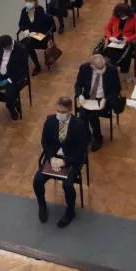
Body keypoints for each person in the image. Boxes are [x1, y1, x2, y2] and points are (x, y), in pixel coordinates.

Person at [33, 97, 87, 228]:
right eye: (58, 111)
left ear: (70, 110)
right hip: (54, 157)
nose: (59, 114)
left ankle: (70, 211)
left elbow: (81, 149)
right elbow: (45, 142)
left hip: (71, 159)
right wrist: (51, 158)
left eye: (63, 112)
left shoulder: (79, 125)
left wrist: (65, 162)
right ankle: (42, 205)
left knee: (67, 185)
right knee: (38, 180)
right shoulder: (50, 121)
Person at [75, 54, 120, 151]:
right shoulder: (84, 68)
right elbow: (78, 85)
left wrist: (106, 99)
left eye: (103, 67)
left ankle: (98, 138)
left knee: (92, 116)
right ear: (92, 66)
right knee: (82, 116)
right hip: (88, 98)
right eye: (99, 69)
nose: (102, 70)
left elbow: (116, 90)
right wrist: (80, 95)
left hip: (104, 99)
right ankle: (86, 135)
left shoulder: (112, 70)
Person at [0, 35, 28, 121]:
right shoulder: (0, 44)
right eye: (3, 48)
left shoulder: (21, 49)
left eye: (6, 48)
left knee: (10, 95)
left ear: (10, 44)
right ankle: (13, 102)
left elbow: (22, 69)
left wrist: (9, 80)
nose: (4, 50)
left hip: (13, 77)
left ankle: (11, 107)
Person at [17, 0, 55, 76]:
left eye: (30, 1)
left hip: (41, 37)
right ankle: (33, 65)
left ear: (34, 2)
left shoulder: (40, 10)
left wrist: (30, 31)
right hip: (30, 37)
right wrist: (25, 30)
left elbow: (40, 26)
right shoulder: (24, 11)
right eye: (27, 1)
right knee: (22, 45)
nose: (28, 3)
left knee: (27, 44)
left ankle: (37, 66)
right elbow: (21, 24)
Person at [103, 3, 136, 79]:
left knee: (124, 54)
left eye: (124, 15)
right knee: (110, 51)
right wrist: (110, 37)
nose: (123, 17)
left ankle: (120, 70)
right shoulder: (115, 16)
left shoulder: (134, 17)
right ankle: (111, 69)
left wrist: (128, 39)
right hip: (115, 40)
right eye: (121, 16)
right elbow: (107, 28)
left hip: (128, 41)